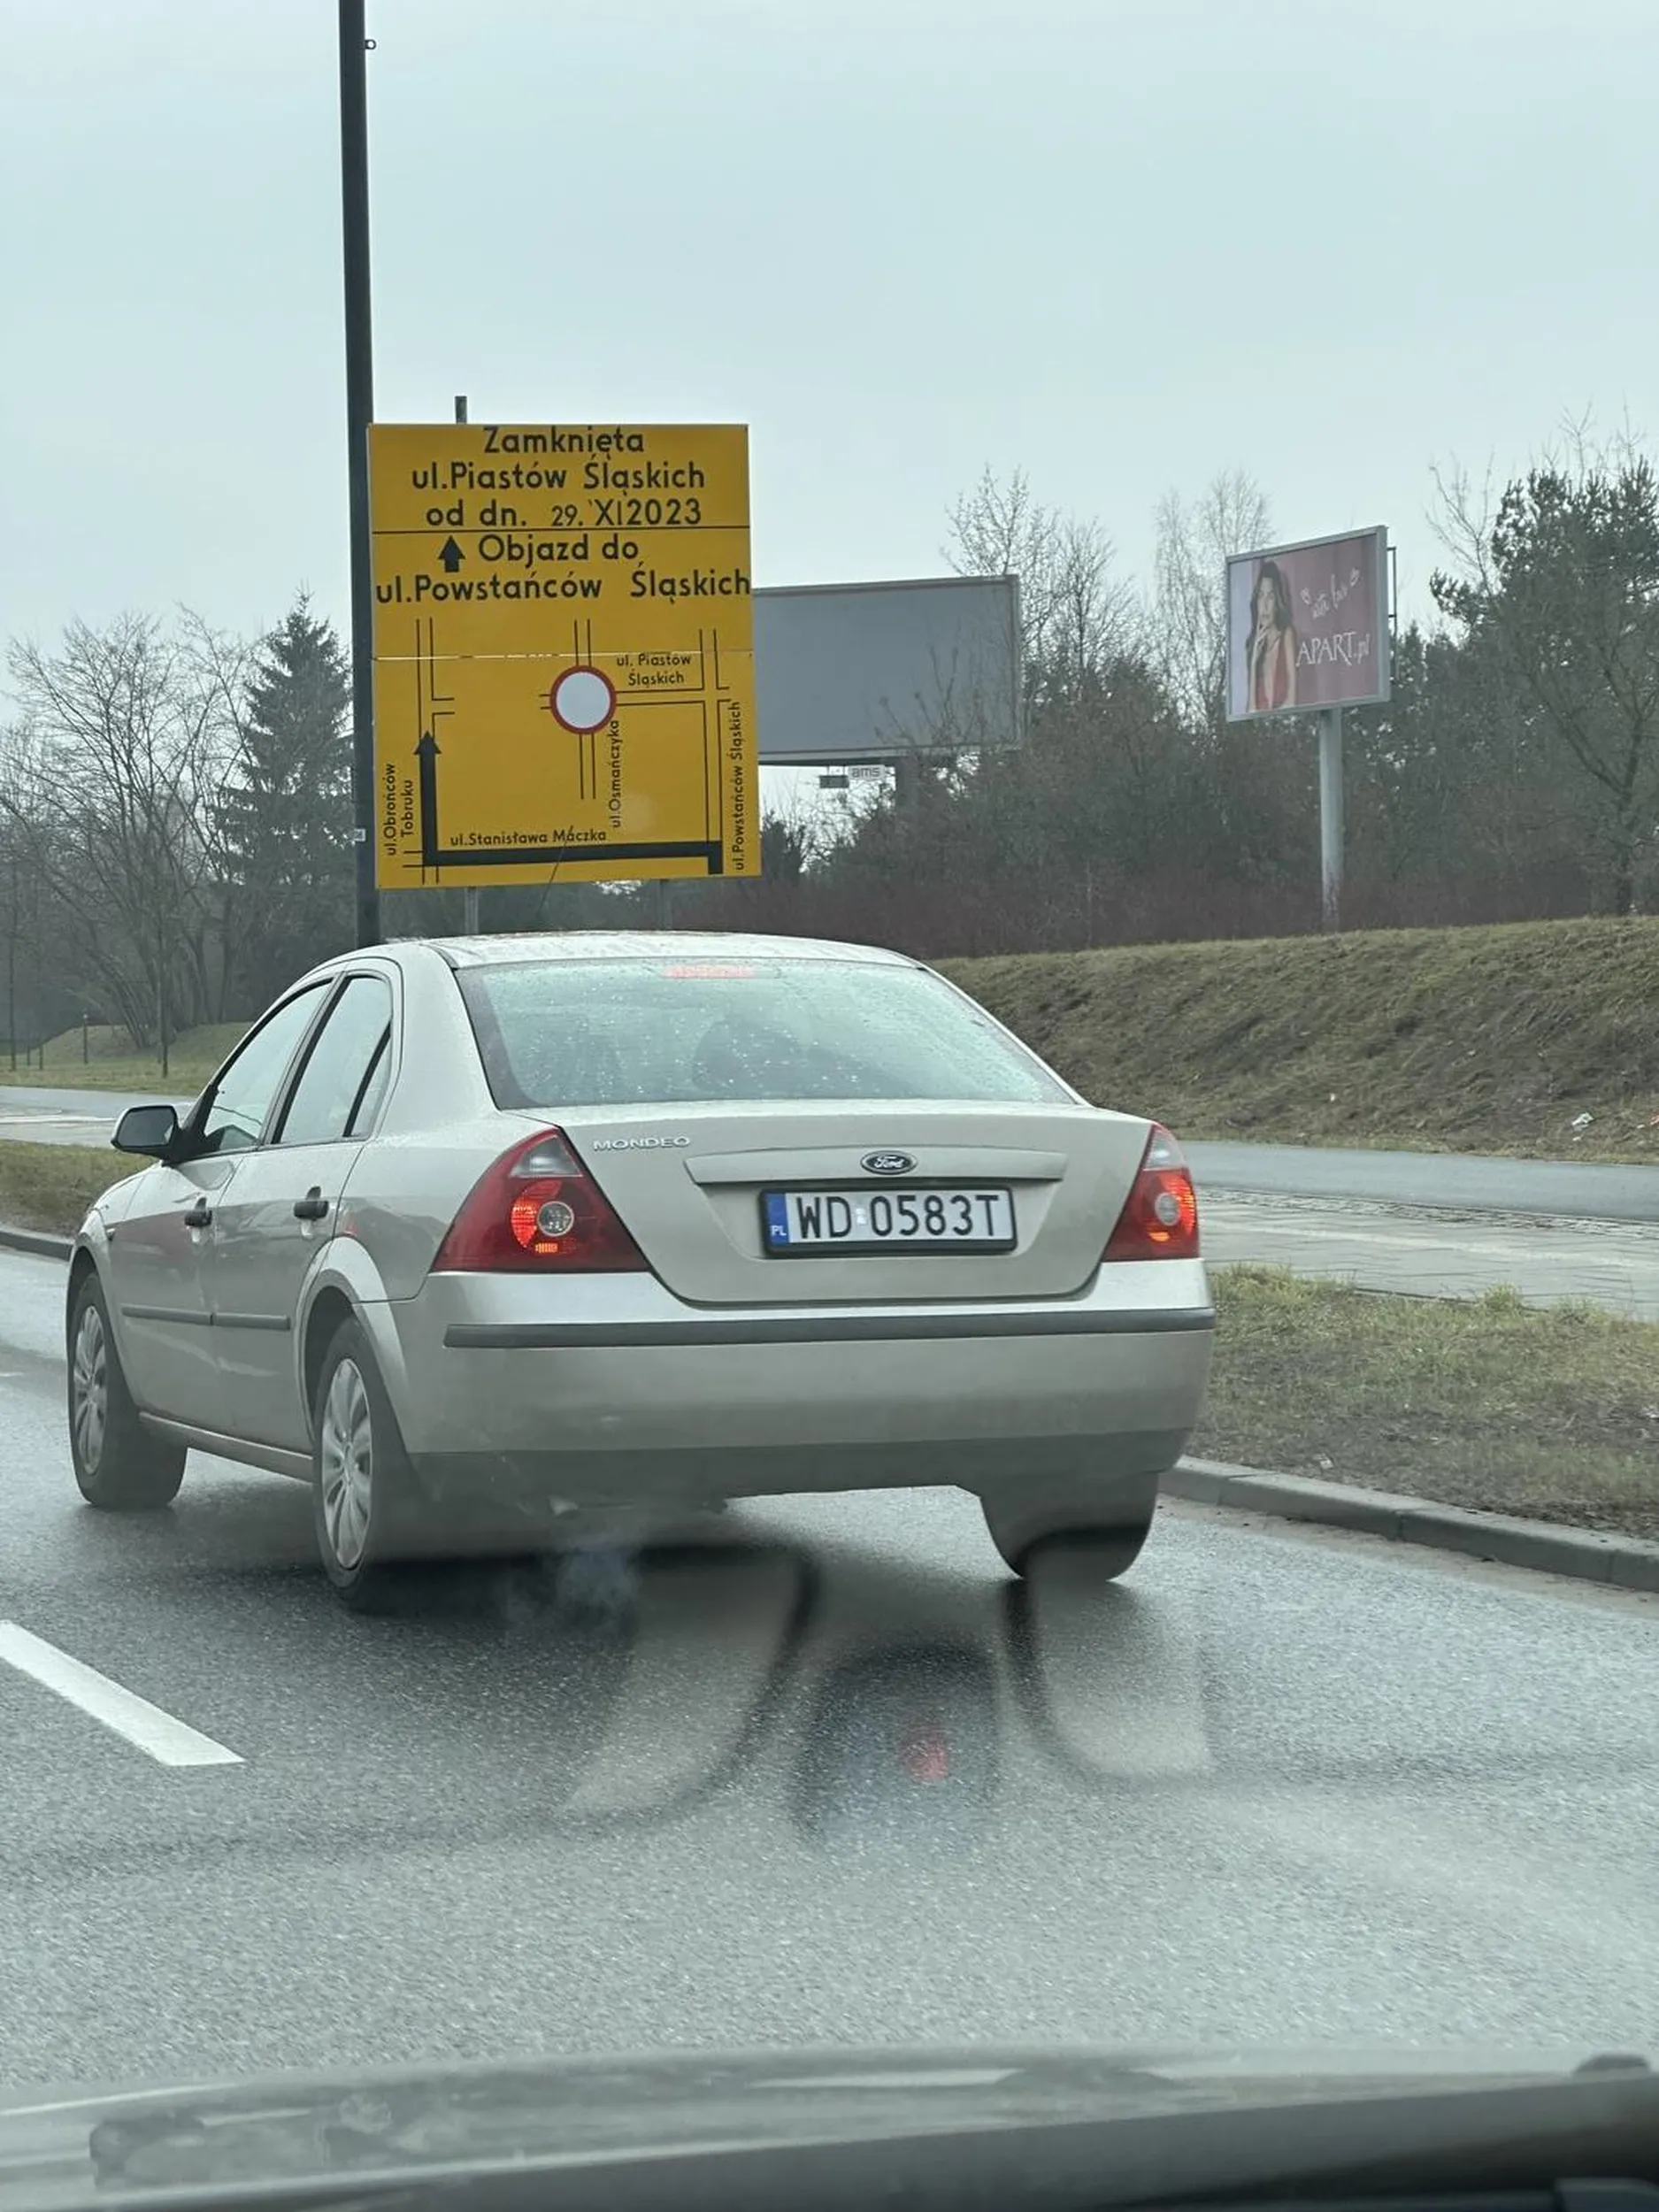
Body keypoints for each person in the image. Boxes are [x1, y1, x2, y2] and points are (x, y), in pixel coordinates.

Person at [1247, 557, 1298, 712]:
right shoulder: (1254, 646)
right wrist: (1254, 663)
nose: (1265, 605)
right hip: (1263, 734)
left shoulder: (1286, 636)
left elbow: (1292, 701)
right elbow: (1251, 712)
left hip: (1285, 729)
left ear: (1277, 602)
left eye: (1270, 597)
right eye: (1261, 596)